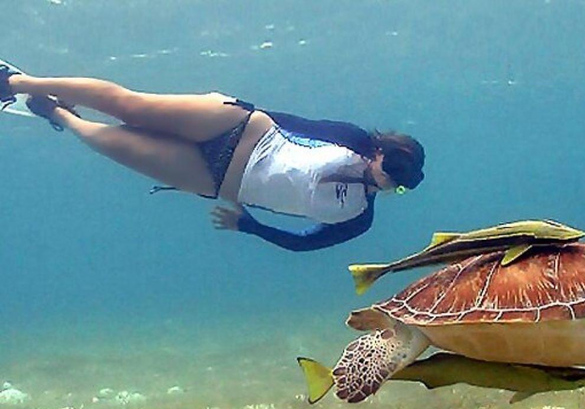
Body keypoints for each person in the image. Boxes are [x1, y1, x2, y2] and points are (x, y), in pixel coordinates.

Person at [0, 64, 425, 251]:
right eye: (393, 168)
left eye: (400, 184)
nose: (390, 182)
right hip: (242, 129)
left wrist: (249, 227)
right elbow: (296, 122)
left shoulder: (358, 219)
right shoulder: (352, 140)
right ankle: (16, 81)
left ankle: (56, 112)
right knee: (129, 107)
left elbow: (303, 243)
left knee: (110, 143)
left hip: (217, 180)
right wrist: (238, 108)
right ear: (380, 151)